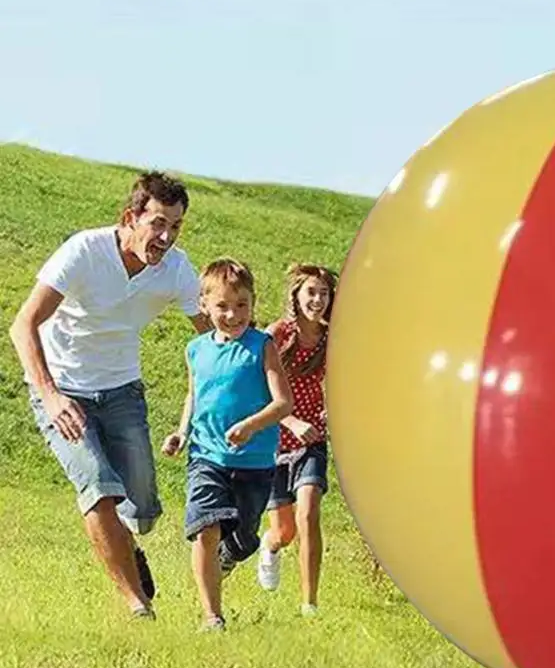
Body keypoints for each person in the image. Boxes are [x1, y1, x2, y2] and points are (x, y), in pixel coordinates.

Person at [7, 171, 211, 619]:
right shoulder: (85, 251)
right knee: (97, 487)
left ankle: (128, 543)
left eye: (175, 226)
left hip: (123, 392)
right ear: (130, 217)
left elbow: (216, 337)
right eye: (157, 223)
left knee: (143, 507)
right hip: (62, 390)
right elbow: (23, 325)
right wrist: (52, 395)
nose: (166, 237)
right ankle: (138, 605)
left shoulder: (176, 270)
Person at [162, 258, 292, 631]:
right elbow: (195, 395)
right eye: (222, 306)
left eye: (242, 306)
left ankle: (231, 555)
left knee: (244, 538)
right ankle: (212, 616)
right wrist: (182, 432)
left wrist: (251, 426)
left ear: (252, 304)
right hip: (206, 455)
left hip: (254, 462)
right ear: (204, 304)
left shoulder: (261, 346)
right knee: (206, 527)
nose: (233, 315)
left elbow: (284, 403)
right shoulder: (196, 349)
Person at [256, 263, 338, 616]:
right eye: (311, 292)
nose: (317, 300)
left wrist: (331, 411)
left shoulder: (331, 338)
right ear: (296, 295)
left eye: (323, 293)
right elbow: (258, 390)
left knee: (309, 513)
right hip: (274, 439)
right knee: (285, 531)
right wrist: (289, 421)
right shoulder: (277, 335)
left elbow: (342, 383)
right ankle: (270, 547)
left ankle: (309, 604)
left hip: (311, 442)